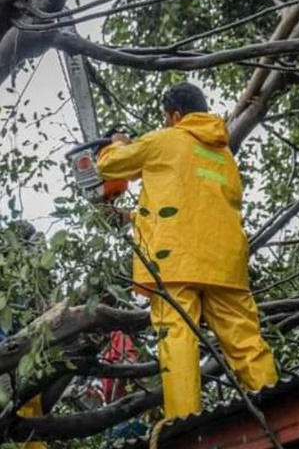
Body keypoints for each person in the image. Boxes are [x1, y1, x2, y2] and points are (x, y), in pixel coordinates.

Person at [96, 82, 278, 419]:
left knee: (177, 338)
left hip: (175, 262)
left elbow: (108, 167)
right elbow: (196, 204)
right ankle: (281, 410)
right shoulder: (223, 155)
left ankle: (185, 423)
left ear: (175, 116)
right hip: (225, 265)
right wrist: (136, 217)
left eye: (167, 118)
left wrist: (115, 143)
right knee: (246, 341)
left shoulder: (166, 139)